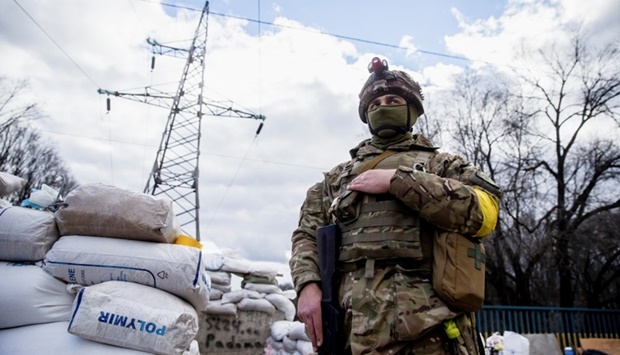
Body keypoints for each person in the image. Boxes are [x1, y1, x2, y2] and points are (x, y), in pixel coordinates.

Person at [289, 57, 501, 355]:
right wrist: (307, 285)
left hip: (430, 328)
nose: (382, 107)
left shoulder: (443, 165)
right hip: (353, 326)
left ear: (412, 109)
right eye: (374, 105)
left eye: (393, 100)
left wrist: (400, 182)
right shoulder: (337, 178)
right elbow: (306, 235)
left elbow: (486, 212)